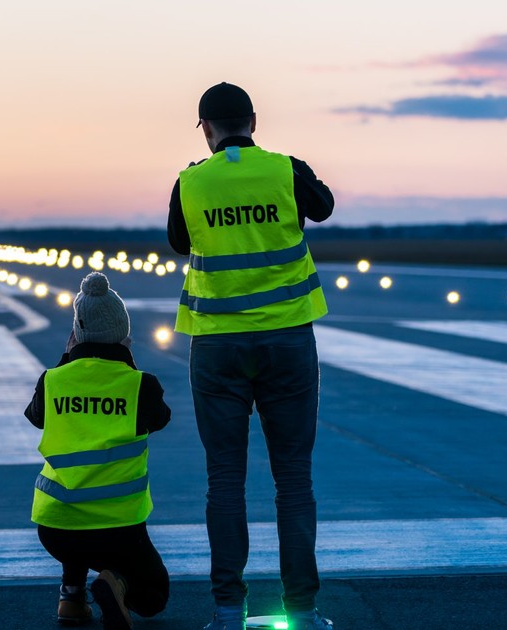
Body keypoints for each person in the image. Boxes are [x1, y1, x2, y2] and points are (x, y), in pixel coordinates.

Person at [167, 82, 335, 630]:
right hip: (287, 339)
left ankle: (226, 611)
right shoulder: (286, 170)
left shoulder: (190, 181)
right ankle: (302, 610)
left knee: (224, 479)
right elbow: (325, 207)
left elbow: (178, 241)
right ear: (254, 122)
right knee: (294, 480)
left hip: (217, 344)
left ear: (206, 129)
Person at [24, 271, 172, 630]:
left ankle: (71, 597)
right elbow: (160, 419)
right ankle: (116, 581)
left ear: (76, 333)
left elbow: (36, 417)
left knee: (76, 520)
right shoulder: (139, 385)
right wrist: (126, 364)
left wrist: (67, 358)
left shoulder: (53, 380)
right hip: (117, 526)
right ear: (124, 333)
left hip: (56, 527)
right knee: (154, 595)